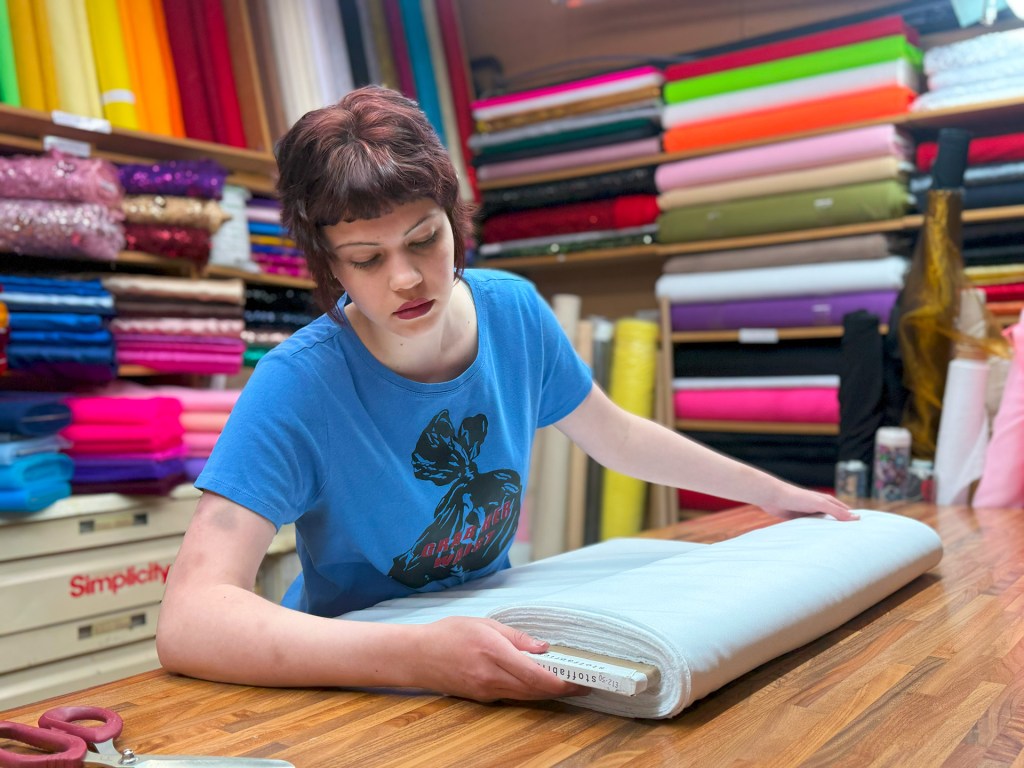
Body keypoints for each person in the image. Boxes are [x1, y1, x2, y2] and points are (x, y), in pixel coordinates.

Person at [156, 85, 855, 704]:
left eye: (424, 240)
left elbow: (613, 434)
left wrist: (769, 494)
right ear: (327, 262)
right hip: (357, 679)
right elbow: (191, 617)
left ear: (454, 220)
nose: (406, 278)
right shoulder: (300, 384)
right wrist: (418, 656)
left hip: (490, 644)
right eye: (368, 259)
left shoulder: (512, 313)